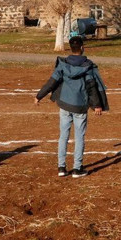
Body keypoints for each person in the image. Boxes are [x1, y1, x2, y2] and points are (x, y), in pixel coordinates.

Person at [35, 36, 108, 178]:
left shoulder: (63, 64)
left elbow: (52, 82)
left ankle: (61, 167)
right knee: (79, 137)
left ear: (71, 48)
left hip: (64, 105)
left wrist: (39, 96)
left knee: (63, 135)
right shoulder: (87, 66)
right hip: (80, 106)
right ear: (81, 48)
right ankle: (77, 168)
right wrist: (97, 105)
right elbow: (92, 87)